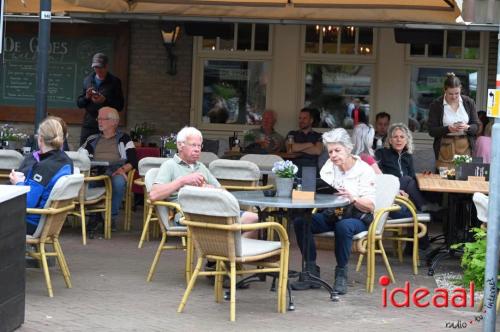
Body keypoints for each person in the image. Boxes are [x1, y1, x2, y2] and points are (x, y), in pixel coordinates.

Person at [292, 128, 376, 294]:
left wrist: (353, 198)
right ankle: (310, 272)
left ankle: (341, 275)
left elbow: (370, 206)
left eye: (337, 150)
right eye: (330, 151)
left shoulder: (365, 170)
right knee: (301, 222)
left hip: (357, 216)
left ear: (348, 149)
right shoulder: (329, 166)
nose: (333, 155)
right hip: (332, 213)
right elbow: (323, 192)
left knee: (343, 226)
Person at [150, 126, 259, 238]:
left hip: (214, 210)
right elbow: (154, 195)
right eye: (193, 145)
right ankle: (226, 251)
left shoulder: (201, 167)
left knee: (254, 220)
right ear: (180, 145)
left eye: (199, 146)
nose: (197, 149)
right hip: (190, 213)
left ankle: (234, 253)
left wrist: (210, 188)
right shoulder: (170, 165)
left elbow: (224, 192)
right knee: (231, 226)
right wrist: (182, 181)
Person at [10, 118, 73, 235]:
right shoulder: (66, 161)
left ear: (40, 139)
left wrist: (18, 182)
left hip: (31, 223)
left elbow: (28, 203)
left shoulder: (44, 167)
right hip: (48, 222)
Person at [80, 107, 137, 236]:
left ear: (114, 122)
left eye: (102, 118)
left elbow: (134, 160)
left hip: (116, 170)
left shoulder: (124, 138)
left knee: (118, 183)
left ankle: (110, 218)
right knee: (88, 183)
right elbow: (81, 156)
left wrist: (122, 169)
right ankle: (95, 216)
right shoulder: (92, 139)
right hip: (96, 171)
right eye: (98, 118)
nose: (99, 121)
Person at [375, 123, 438, 212]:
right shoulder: (381, 153)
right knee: (408, 179)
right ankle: (424, 205)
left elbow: (412, 176)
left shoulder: (407, 156)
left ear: (406, 141)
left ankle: (424, 208)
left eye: (402, 137)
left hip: (405, 188)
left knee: (421, 183)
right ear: (390, 140)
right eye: (395, 137)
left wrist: (423, 177)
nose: (398, 140)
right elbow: (377, 176)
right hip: (389, 187)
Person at [428, 73, 479, 169]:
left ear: (460, 89)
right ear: (444, 90)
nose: (454, 97)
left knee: (463, 178)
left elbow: (477, 126)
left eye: (457, 93)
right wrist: (448, 129)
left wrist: (467, 127)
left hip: (465, 147)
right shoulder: (436, 105)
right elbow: (431, 131)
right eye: (450, 93)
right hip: (445, 148)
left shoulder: (469, 102)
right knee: (443, 179)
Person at [77, 53, 124, 146]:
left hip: (107, 125)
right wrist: (87, 97)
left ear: (106, 66)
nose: (97, 70)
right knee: (84, 152)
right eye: (95, 67)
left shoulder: (115, 82)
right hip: (89, 124)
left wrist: (104, 101)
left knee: (104, 152)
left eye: (100, 67)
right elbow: (79, 103)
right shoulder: (87, 80)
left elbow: (120, 105)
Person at [285, 108, 323, 176]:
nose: (301, 121)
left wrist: (297, 147)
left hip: (310, 167)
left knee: (308, 185)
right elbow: (290, 148)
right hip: (294, 166)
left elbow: (317, 151)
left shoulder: (318, 135)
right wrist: (310, 144)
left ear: (311, 120)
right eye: (300, 118)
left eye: (304, 118)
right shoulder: (292, 134)